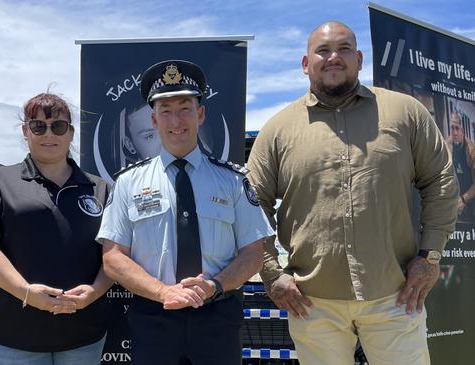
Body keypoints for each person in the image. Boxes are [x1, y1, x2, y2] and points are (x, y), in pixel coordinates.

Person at [247, 21, 458, 365]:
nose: (334, 57)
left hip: (396, 296)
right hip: (312, 304)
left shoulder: (406, 113)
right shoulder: (277, 130)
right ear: (305, 64)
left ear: (359, 59)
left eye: (344, 49)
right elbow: (251, 206)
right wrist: (272, 273)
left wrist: (430, 256)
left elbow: (441, 181)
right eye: (323, 50)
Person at [98, 60, 274, 365]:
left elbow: (253, 253)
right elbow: (113, 258)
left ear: (200, 114)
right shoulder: (128, 183)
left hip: (217, 318)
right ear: (154, 120)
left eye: (185, 108)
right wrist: (164, 292)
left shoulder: (233, 181)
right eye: (165, 110)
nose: (175, 120)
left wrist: (213, 286)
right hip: (154, 318)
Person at [0, 92, 112, 365]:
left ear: (70, 133)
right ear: (25, 131)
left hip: (84, 334)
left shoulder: (100, 188)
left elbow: (115, 255)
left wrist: (95, 291)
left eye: (58, 126)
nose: (48, 134)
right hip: (14, 336)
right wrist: (26, 292)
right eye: (38, 126)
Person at [446, 112, 475, 224]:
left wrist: (464, 199)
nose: (454, 132)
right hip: (456, 197)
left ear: (462, 130)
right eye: (452, 128)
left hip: (471, 194)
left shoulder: (471, 149)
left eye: (457, 128)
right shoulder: (447, 145)